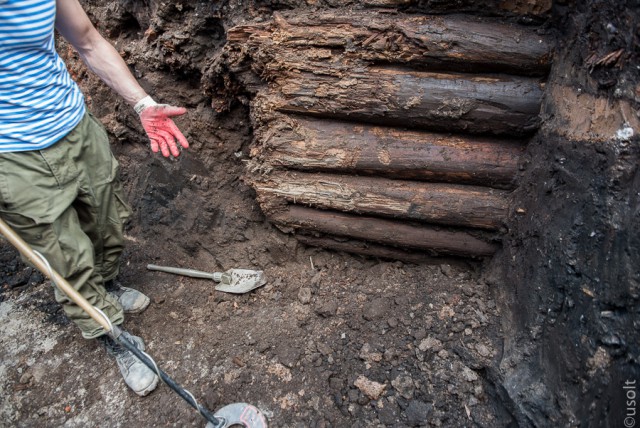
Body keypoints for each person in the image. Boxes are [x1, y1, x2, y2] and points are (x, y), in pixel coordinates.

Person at [0, 0, 189, 396]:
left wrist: (143, 104)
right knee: (64, 254)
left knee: (106, 222)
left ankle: (108, 284)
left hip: (74, 126)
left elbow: (86, 39)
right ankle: (110, 332)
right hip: (12, 155)